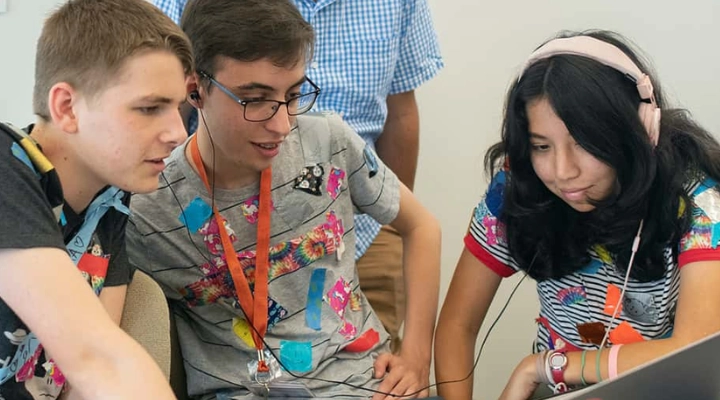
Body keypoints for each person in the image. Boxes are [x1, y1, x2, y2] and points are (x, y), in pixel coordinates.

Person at [125, 0, 441, 399]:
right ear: (194, 90)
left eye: (293, 94)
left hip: (366, 384)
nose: (282, 124)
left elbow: (423, 227)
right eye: (255, 100)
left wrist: (416, 355)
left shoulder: (327, 143)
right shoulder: (148, 208)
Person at [434, 30, 720, 400]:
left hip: (667, 388)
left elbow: (693, 350)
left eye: (583, 143)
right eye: (541, 146)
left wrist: (544, 367)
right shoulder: (518, 188)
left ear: (638, 128)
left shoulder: (698, 201)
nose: (562, 171)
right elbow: (457, 325)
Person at [0, 0, 191, 399]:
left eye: (179, 108)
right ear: (67, 108)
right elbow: (99, 360)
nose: (178, 133)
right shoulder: (6, 165)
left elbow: (86, 377)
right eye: (149, 108)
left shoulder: (110, 202)